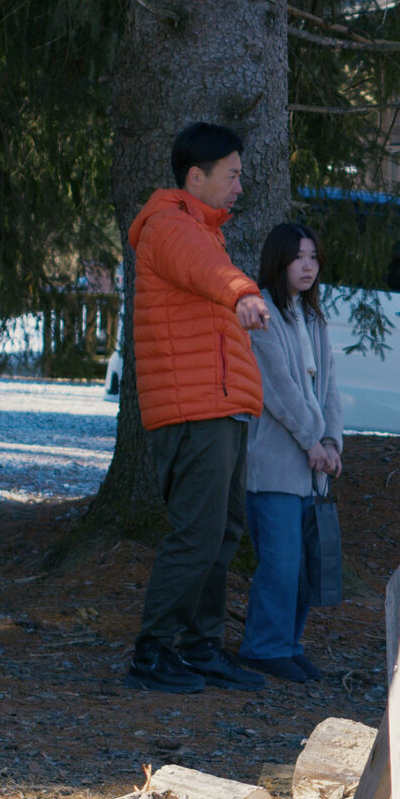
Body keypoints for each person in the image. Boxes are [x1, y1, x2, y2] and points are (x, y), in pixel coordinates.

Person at [123, 122, 271, 694]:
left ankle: (200, 646)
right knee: (197, 534)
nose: (240, 185)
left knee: (222, 532)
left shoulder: (204, 230)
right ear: (196, 176)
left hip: (220, 407)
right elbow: (210, 276)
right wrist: (243, 292)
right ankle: (153, 651)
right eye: (231, 174)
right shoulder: (171, 224)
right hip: (194, 411)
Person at [237, 222, 343, 682]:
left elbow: (331, 389)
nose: (308, 265)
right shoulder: (262, 313)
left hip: (312, 466)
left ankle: (289, 644)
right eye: (299, 256)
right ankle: (263, 646)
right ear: (279, 260)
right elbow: (275, 390)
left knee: (304, 563)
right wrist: (313, 441)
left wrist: (333, 443)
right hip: (275, 464)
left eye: (314, 257)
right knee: (279, 562)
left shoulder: (314, 319)